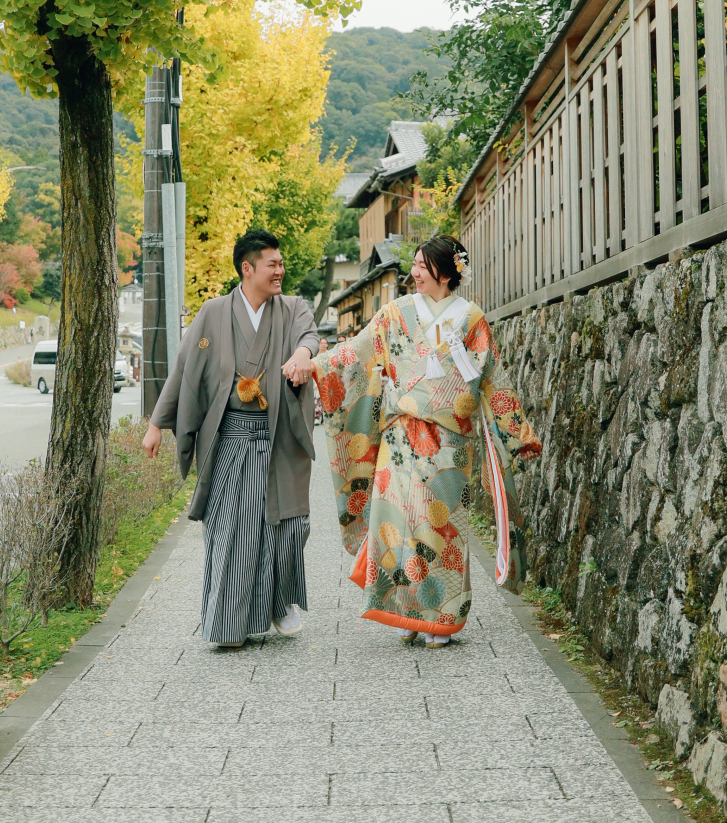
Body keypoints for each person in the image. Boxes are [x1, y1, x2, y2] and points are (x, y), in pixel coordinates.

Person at [312, 235, 541, 649]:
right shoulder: (394, 313)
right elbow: (357, 351)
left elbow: (491, 379)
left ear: (448, 271)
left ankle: (444, 613)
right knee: (395, 519)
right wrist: (316, 366)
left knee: (440, 525)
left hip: (449, 440)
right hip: (400, 434)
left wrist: (516, 430)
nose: (414, 272)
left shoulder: (471, 318)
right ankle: (405, 610)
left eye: (422, 265)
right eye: (414, 264)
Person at [143, 229, 319, 649]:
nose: (280, 270)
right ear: (248, 268)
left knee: (290, 527)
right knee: (230, 533)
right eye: (272, 264)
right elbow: (185, 367)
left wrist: (302, 356)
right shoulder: (214, 312)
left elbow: (309, 337)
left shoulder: (293, 307)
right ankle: (227, 625)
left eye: (280, 263)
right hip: (229, 442)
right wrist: (156, 424)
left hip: (278, 439)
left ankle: (279, 601)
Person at [313, 338, 329, 425]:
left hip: (327, 377)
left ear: (327, 344)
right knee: (317, 398)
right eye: (321, 343)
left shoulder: (329, 354)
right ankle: (317, 416)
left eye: (325, 343)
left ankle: (324, 417)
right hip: (317, 377)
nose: (323, 345)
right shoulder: (316, 355)